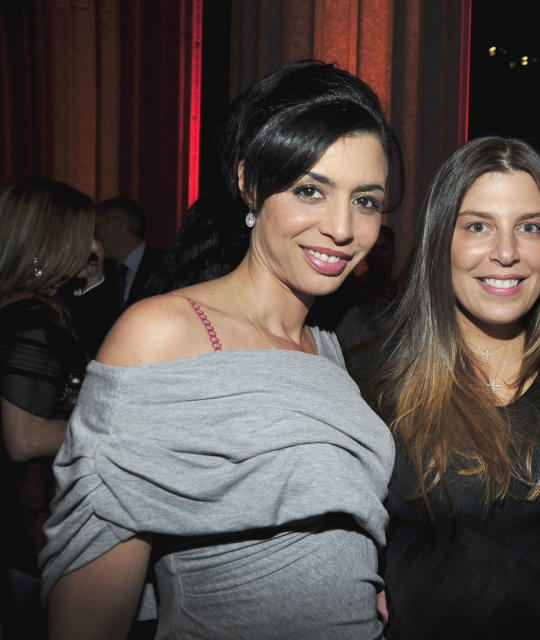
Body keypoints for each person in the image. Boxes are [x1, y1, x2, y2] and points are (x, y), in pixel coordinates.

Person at [40, 60, 398, 639]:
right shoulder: (162, 333)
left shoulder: (329, 348)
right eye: (311, 190)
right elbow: (88, 615)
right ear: (249, 184)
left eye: (366, 200)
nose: (342, 227)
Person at [369, 137, 540, 639]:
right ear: (438, 240)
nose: (507, 253)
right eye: (477, 227)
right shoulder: (376, 372)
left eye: (530, 227)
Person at [0, 177, 97, 636]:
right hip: (23, 521)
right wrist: (113, 425)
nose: (94, 245)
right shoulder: (33, 319)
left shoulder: (17, 307)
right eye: (84, 234)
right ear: (54, 242)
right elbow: (23, 438)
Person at [95, 197, 165, 307]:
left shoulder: (164, 266)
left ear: (116, 225)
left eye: (98, 225)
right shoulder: (100, 269)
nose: (95, 234)